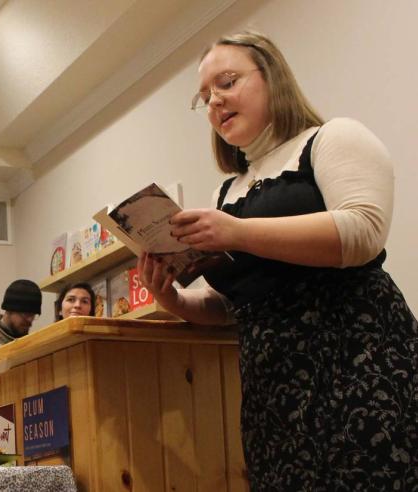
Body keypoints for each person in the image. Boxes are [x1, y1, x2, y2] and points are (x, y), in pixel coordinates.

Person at [137, 30, 418, 490]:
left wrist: (237, 232)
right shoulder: (226, 193)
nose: (214, 102)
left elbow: (363, 231)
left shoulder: (332, 138)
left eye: (226, 83)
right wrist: (176, 302)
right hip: (273, 391)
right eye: (204, 96)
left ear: (272, 76)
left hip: (357, 362)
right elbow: (232, 305)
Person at [0, 279, 43, 345]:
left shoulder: (28, 340)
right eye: (26, 314)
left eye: (34, 315)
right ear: (9, 310)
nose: (30, 320)